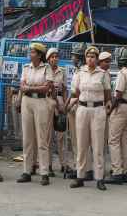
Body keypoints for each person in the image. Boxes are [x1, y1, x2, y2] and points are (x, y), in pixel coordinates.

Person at [68, 45, 111, 190]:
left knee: (98, 145)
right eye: (88, 56)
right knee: (81, 144)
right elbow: (75, 92)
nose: (90, 59)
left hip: (98, 109)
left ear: (97, 59)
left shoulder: (103, 74)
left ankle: (99, 178)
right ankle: (80, 176)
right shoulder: (80, 73)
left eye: (93, 56)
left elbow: (107, 93)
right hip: (83, 108)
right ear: (85, 58)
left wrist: (107, 105)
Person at [17, 42, 54, 185]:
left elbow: (46, 88)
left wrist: (30, 88)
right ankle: (27, 171)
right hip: (27, 102)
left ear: (39, 55)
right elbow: (22, 86)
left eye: (33, 52)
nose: (30, 54)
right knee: (27, 138)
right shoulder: (26, 68)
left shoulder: (47, 68)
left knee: (42, 138)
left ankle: (44, 172)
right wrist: (31, 88)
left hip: (41, 103)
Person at [106, 47, 127, 184]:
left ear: (119, 60)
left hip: (120, 107)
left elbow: (118, 94)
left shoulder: (122, 74)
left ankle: (117, 172)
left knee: (113, 141)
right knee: (124, 141)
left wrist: (110, 110)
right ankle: (124, 171)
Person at [65, 43, 85, 180]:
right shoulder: (78, 71)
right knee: (75, 140)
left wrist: (65, 106)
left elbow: (74, 93)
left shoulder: (82, 72)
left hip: (77, 107)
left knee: (78, 140)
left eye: (74, 56)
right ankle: (79, 166)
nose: (72, 58)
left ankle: (80, 168)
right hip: (74, 107)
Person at [47, 47, 69, 175]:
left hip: (60, 101)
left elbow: (65, 89)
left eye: (56, 56)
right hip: (48, 101)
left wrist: (65, 105)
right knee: (48, 136)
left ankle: (63, 164)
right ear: (48, 59)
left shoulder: (62, 71)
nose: (55, 58)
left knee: (61, 136)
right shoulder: (45, 70)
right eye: (52, 56)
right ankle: (48, 165)